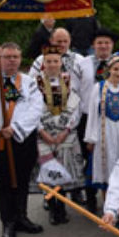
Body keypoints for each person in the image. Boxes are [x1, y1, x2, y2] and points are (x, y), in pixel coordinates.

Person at [0, 42, 45, 237]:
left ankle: (21, 217)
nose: (12, 61)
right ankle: (7, 222)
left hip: (21, 137)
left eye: (15, 57)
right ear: (0, 59)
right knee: (4, 179)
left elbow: (36, 109)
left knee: (22, 178)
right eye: (7, 57)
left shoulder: (28, 82)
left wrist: (15, 128)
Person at [35, 45, 85, 225]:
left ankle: (62, 209)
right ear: (43, 63)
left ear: (61, 62)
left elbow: (76, 107)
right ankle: (52, 209)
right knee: (49, 171)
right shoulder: (35, 83)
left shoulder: (69, 81)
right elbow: (31, 110)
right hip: (44, 135)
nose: (52, 64)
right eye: (48, 61)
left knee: (63, 171)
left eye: (55, 61)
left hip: (66, 135)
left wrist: (66, 130)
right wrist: (42, 131)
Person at [73, 27, 118, 213]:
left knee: (111, 158)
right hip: (86, 118)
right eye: (99, 43)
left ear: (112, 45)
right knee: (89, 159)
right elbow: (74, 91)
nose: (103, 46)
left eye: (107, 43)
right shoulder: (82, 64)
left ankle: (113, 199)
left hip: (112, 119)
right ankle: (90, 199)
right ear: (93, 45)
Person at [85, 55, 119, 190]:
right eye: (116, 69)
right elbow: (93, 113)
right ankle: (106, 199)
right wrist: (91, 137)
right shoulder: (99, 87)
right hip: (104, 131)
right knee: (106, 164)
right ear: (109, 69)